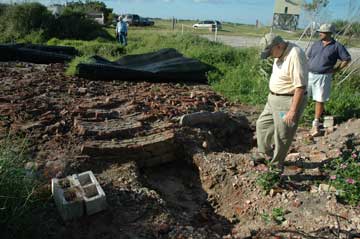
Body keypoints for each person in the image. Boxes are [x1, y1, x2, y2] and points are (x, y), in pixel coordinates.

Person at [255, 33, 308, 172]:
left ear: (279, 45)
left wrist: (292, 110)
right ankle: (265, 155)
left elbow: (300, 86)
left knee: (282, 135)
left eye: (270, 52)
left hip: (287, 101)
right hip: (273, 99)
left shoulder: (295, 55)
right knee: (262, 125)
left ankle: (276, 167)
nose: (270, 56)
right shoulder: (280, 52)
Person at [307, 23, 351, 137]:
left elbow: (346, 59)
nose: (320, 34)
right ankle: (297, 117)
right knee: (302, 95)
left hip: (323, 76)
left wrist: (336, 70)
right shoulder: (316, 44)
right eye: (320, 32)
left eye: (322, 32)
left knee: (319, 99)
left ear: (329, 33)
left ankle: (315, 122)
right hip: (309, 74)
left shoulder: (337, 46)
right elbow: (309, 57)